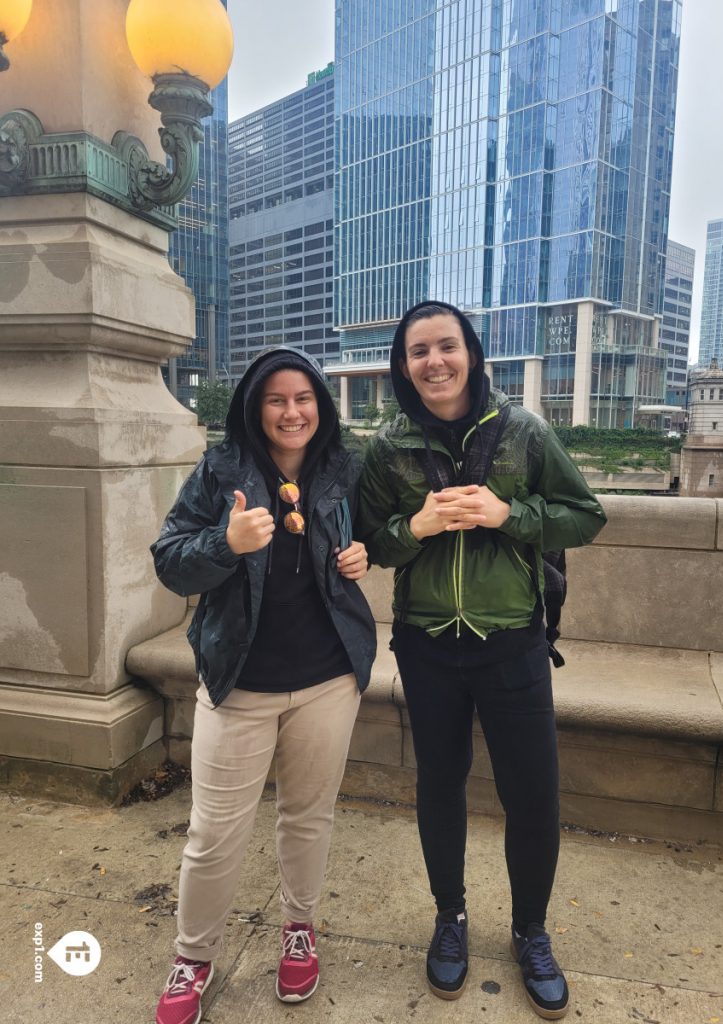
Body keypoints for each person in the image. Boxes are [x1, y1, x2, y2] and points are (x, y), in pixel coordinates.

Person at [357, 301, 606, 1020]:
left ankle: (531, 929)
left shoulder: (523, 431)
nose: (433, 362)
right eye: (417, 351)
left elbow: (585, 514)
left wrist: (509, 515)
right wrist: (418, 525)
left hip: (513, 645)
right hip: (429, 647)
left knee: (533, 796)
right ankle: (450, 917)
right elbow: (371, 543)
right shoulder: (388, 446)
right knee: (440, 785)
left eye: (447, 346)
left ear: (471, 352)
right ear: (402, 366)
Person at [151, 347, 376, 1024]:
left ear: (320, 405)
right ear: (255, 407)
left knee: (308, 818)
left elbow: (371, 536)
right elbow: (170, 563)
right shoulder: (221, 471)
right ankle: (193, 958)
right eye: (276, 399)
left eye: (303, 398)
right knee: (215, 832)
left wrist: (363, 552)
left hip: (327, 677)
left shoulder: (342, 468)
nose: (292, 411)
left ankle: (299, 928)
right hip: (238, 681)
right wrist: (227, 542)